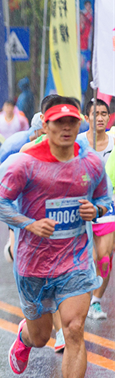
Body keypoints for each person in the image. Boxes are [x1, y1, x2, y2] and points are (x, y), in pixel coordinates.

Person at [0, 98, 111, 378]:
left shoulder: (91, 163)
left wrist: (95, 212)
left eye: (72, 122)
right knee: (43, 336)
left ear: (79, 125)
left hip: (75, 261)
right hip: (33, 264)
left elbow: (105, 200)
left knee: (73, 329)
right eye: (59, 123)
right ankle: (25, 337)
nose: (66, 129)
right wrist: (27, 224)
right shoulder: (24, 163)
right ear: (46, 126)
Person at [79, 99, 115, 320]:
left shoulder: (114, 141)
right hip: (82, 205)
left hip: (109, 205)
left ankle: (96, 302)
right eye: (95, 114)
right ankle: (79, 298)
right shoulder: (78, 143)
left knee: (104, 257)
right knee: (88, 257)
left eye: (104, 113)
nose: (100, 118)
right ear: (86, 118)